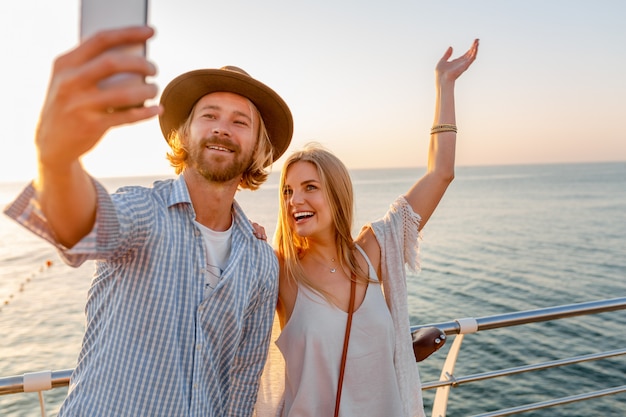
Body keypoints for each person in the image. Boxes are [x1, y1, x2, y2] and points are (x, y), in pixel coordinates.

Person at [4, 26, 293, 417]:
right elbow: (83, 227)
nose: (222, 128)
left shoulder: (260, 261)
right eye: (209, 116)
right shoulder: (143, 212)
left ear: (258, 147)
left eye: (240, 122)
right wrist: (56, 159)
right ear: (185, 134)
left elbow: (242, 381)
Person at [255, 39, 479, 417]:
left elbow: (441, 173)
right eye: (289, 191)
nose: (295, 200)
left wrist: (445, 85)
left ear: (337, 194)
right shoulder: (281, 270)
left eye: (311, 188)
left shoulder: (375, 249)